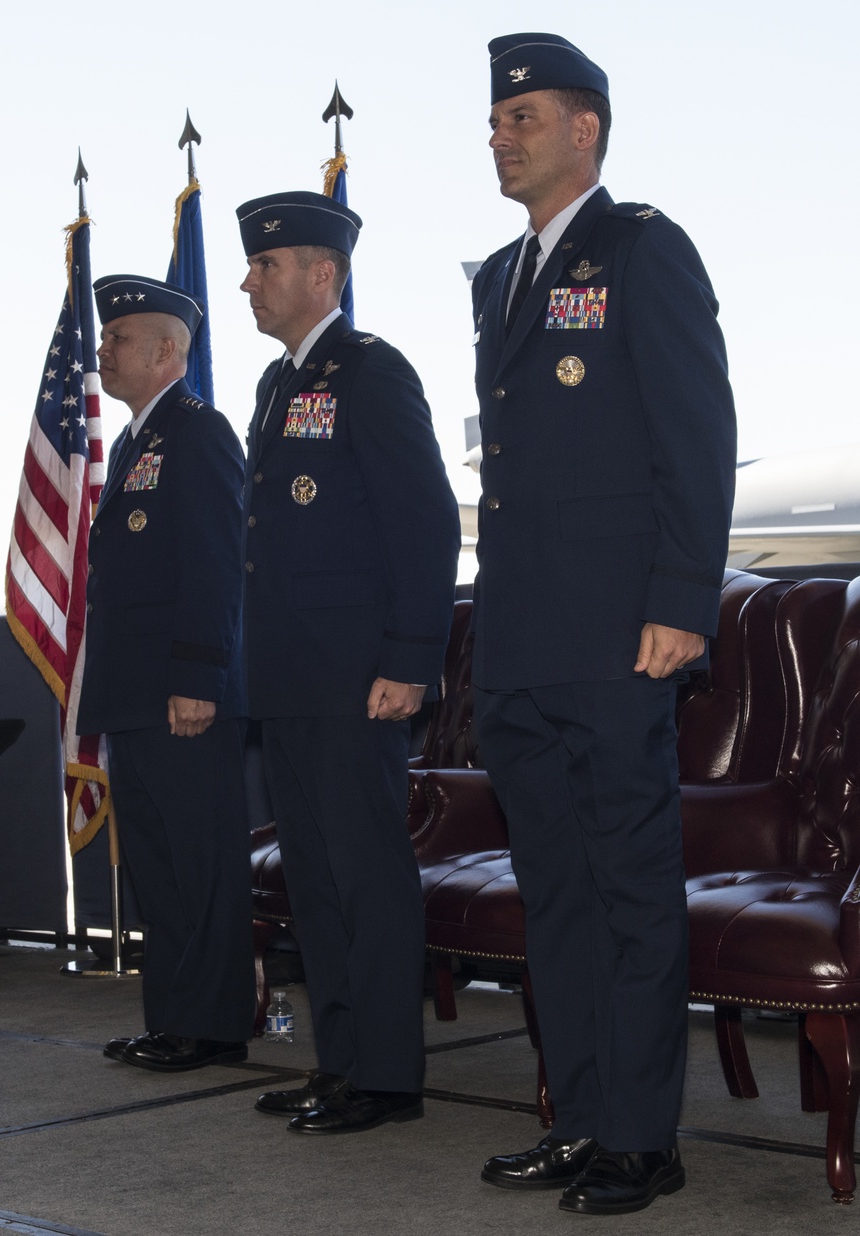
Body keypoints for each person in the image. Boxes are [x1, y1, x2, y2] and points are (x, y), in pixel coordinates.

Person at [471, 34, 737, 1215]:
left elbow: (695, 433)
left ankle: (642, 1137)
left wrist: (681, 602)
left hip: (622, 639)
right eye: (496, 118)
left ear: (586, 129)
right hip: (522, 642)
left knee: (630, 889)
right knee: (557, 896)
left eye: (523, 114)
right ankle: (578, 1122)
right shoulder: (495, 277)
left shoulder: (642, 250)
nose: (500, 132)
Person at [236, 191, 461, 1134]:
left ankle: (387, 1077)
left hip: (357, 677)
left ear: (322, 274)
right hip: (287, 677)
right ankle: (342, 1061)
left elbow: (425, 520)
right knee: (315, 879)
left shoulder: (371, 372)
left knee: (365, 873)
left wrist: (411, 658)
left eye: (267, 265)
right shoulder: (276, 387)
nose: (249, 281)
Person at [77, 274, 255, 1072]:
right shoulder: (136, 445)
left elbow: (216, 565)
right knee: (155, 861)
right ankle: (173, 1017)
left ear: (164, 351)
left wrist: (199, 676)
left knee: (198, 861)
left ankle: (212, 1025)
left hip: (182, 693)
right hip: (136, 692)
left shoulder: (198, 433)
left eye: (117, 339)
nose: (103, 350)